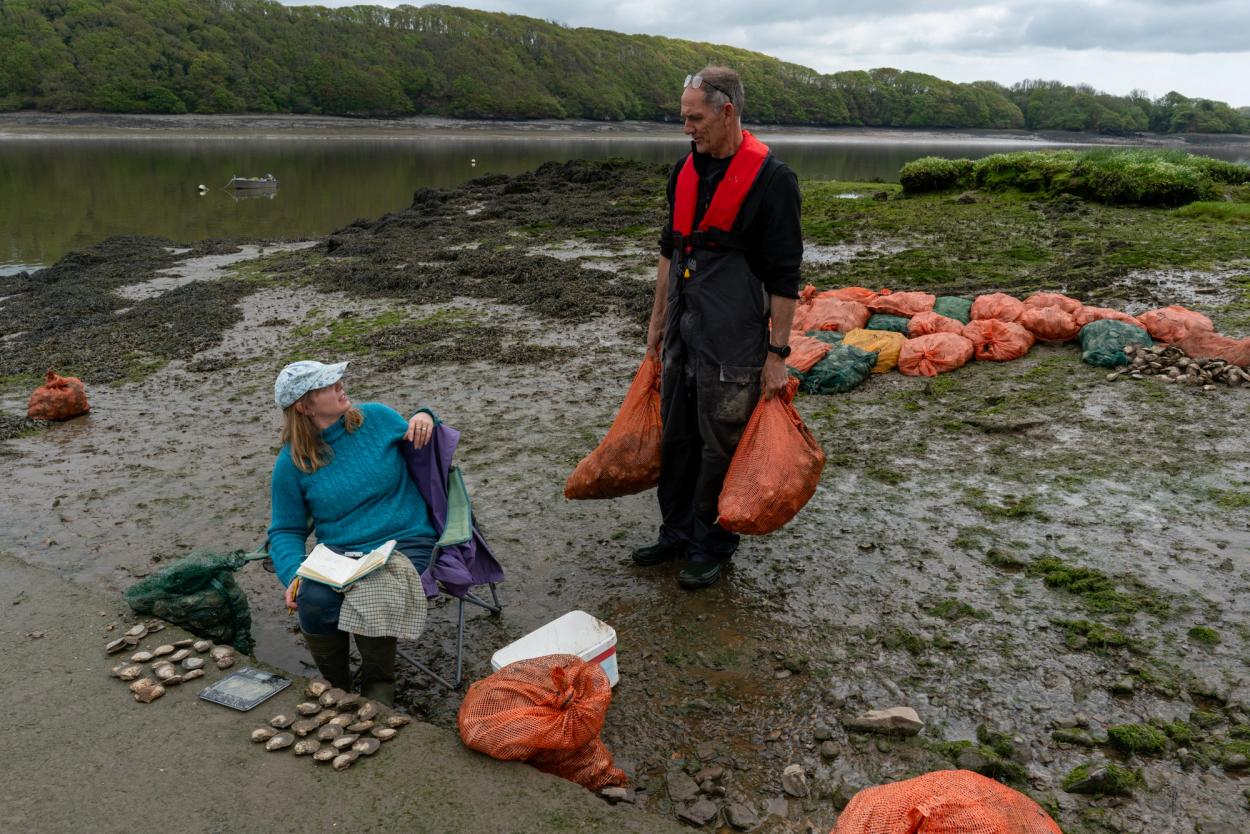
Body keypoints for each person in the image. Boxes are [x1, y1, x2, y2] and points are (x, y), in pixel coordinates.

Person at [633, 66, 803, 590]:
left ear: (726, 111)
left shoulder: (773, 181)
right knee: (678, 435)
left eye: (694, 118)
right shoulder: (684, 171)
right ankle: (677, 532)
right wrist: (658, 322)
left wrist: (777, 354)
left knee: (719, 441)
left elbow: (784, 279)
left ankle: (712, 545)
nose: (687, 128)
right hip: (685, 326)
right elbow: (669, 251)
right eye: (683, 118)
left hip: (735, 336)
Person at [267, 359, 437, 706]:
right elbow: (285, 529)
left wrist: (426, 416)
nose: (340, 385)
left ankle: (378, 690)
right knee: (314, 599)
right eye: (328, 385)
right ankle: (337, 687)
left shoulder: (377, 418)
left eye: (337, 379)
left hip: (405, 539)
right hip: (341, 555)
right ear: (304, 405)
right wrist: (292, 575)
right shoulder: (292, 463)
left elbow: (430, 441)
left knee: (373, 590)